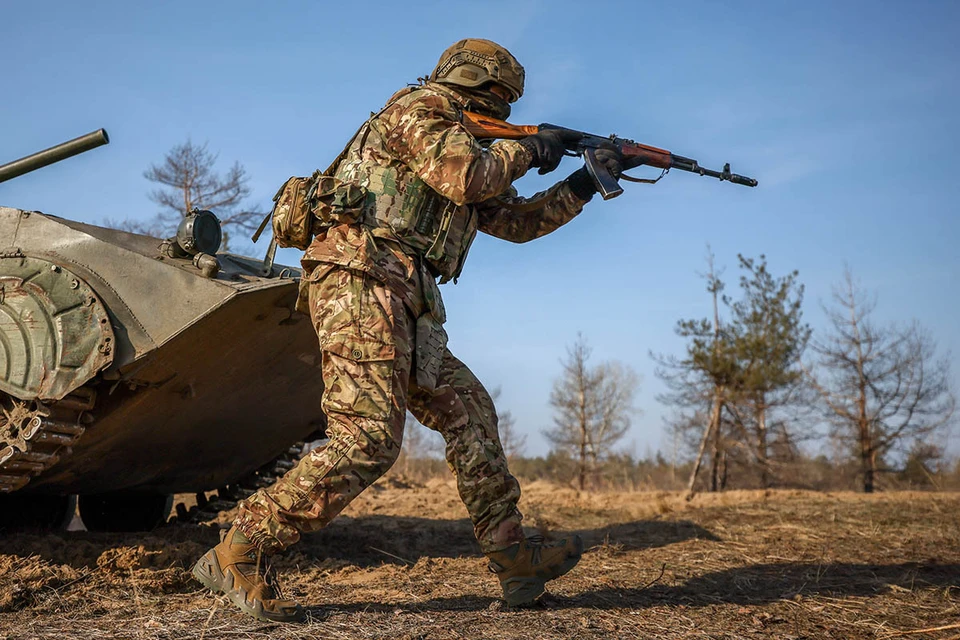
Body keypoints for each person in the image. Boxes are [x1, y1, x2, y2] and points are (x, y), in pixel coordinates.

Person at [192, 38, 629, 623]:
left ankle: (514, 560)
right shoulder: (420, 109)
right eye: (498, 99)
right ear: (473, 84)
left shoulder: (469, 141)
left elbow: (516, 222)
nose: (502, 112)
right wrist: (532, 149)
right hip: (359, 275)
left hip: (407, 295)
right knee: (368, 437)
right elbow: (467, 177)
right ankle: (242, 547)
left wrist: (580, 184)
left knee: (469, 409)